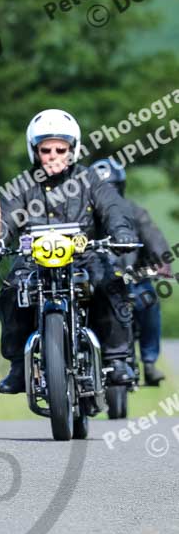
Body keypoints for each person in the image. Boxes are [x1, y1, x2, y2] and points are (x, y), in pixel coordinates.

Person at [0, 108, 137, 394]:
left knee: (112, 282)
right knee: (11, 289)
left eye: (60, 149)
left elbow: (112, 208)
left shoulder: (89, 180)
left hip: (83, 255)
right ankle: (17, 366)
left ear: (72, 149)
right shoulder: (22, 186)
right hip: (33, 259)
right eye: (45, 149)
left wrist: (121, 231)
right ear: (34, 151)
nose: (53, 156)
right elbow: (5, 216)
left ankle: (117, 358)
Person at [91, 158, 170, 386]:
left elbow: (154, 239)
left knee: (149, 301)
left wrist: (161, 263)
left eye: (112, 189)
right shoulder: (82, 216)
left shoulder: (135, 212)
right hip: (93, 278)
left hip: (132, 278)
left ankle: (149, 362)